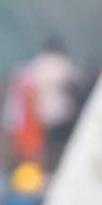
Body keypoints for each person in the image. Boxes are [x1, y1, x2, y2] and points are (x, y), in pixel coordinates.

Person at [28, 37, 81, 174]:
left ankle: (51, 171)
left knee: (50, 146)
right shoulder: (62, 63)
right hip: (64, 112)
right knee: (66, 145)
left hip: (44, 114)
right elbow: (73, 84)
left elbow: (31, 90)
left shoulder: (38, 65)